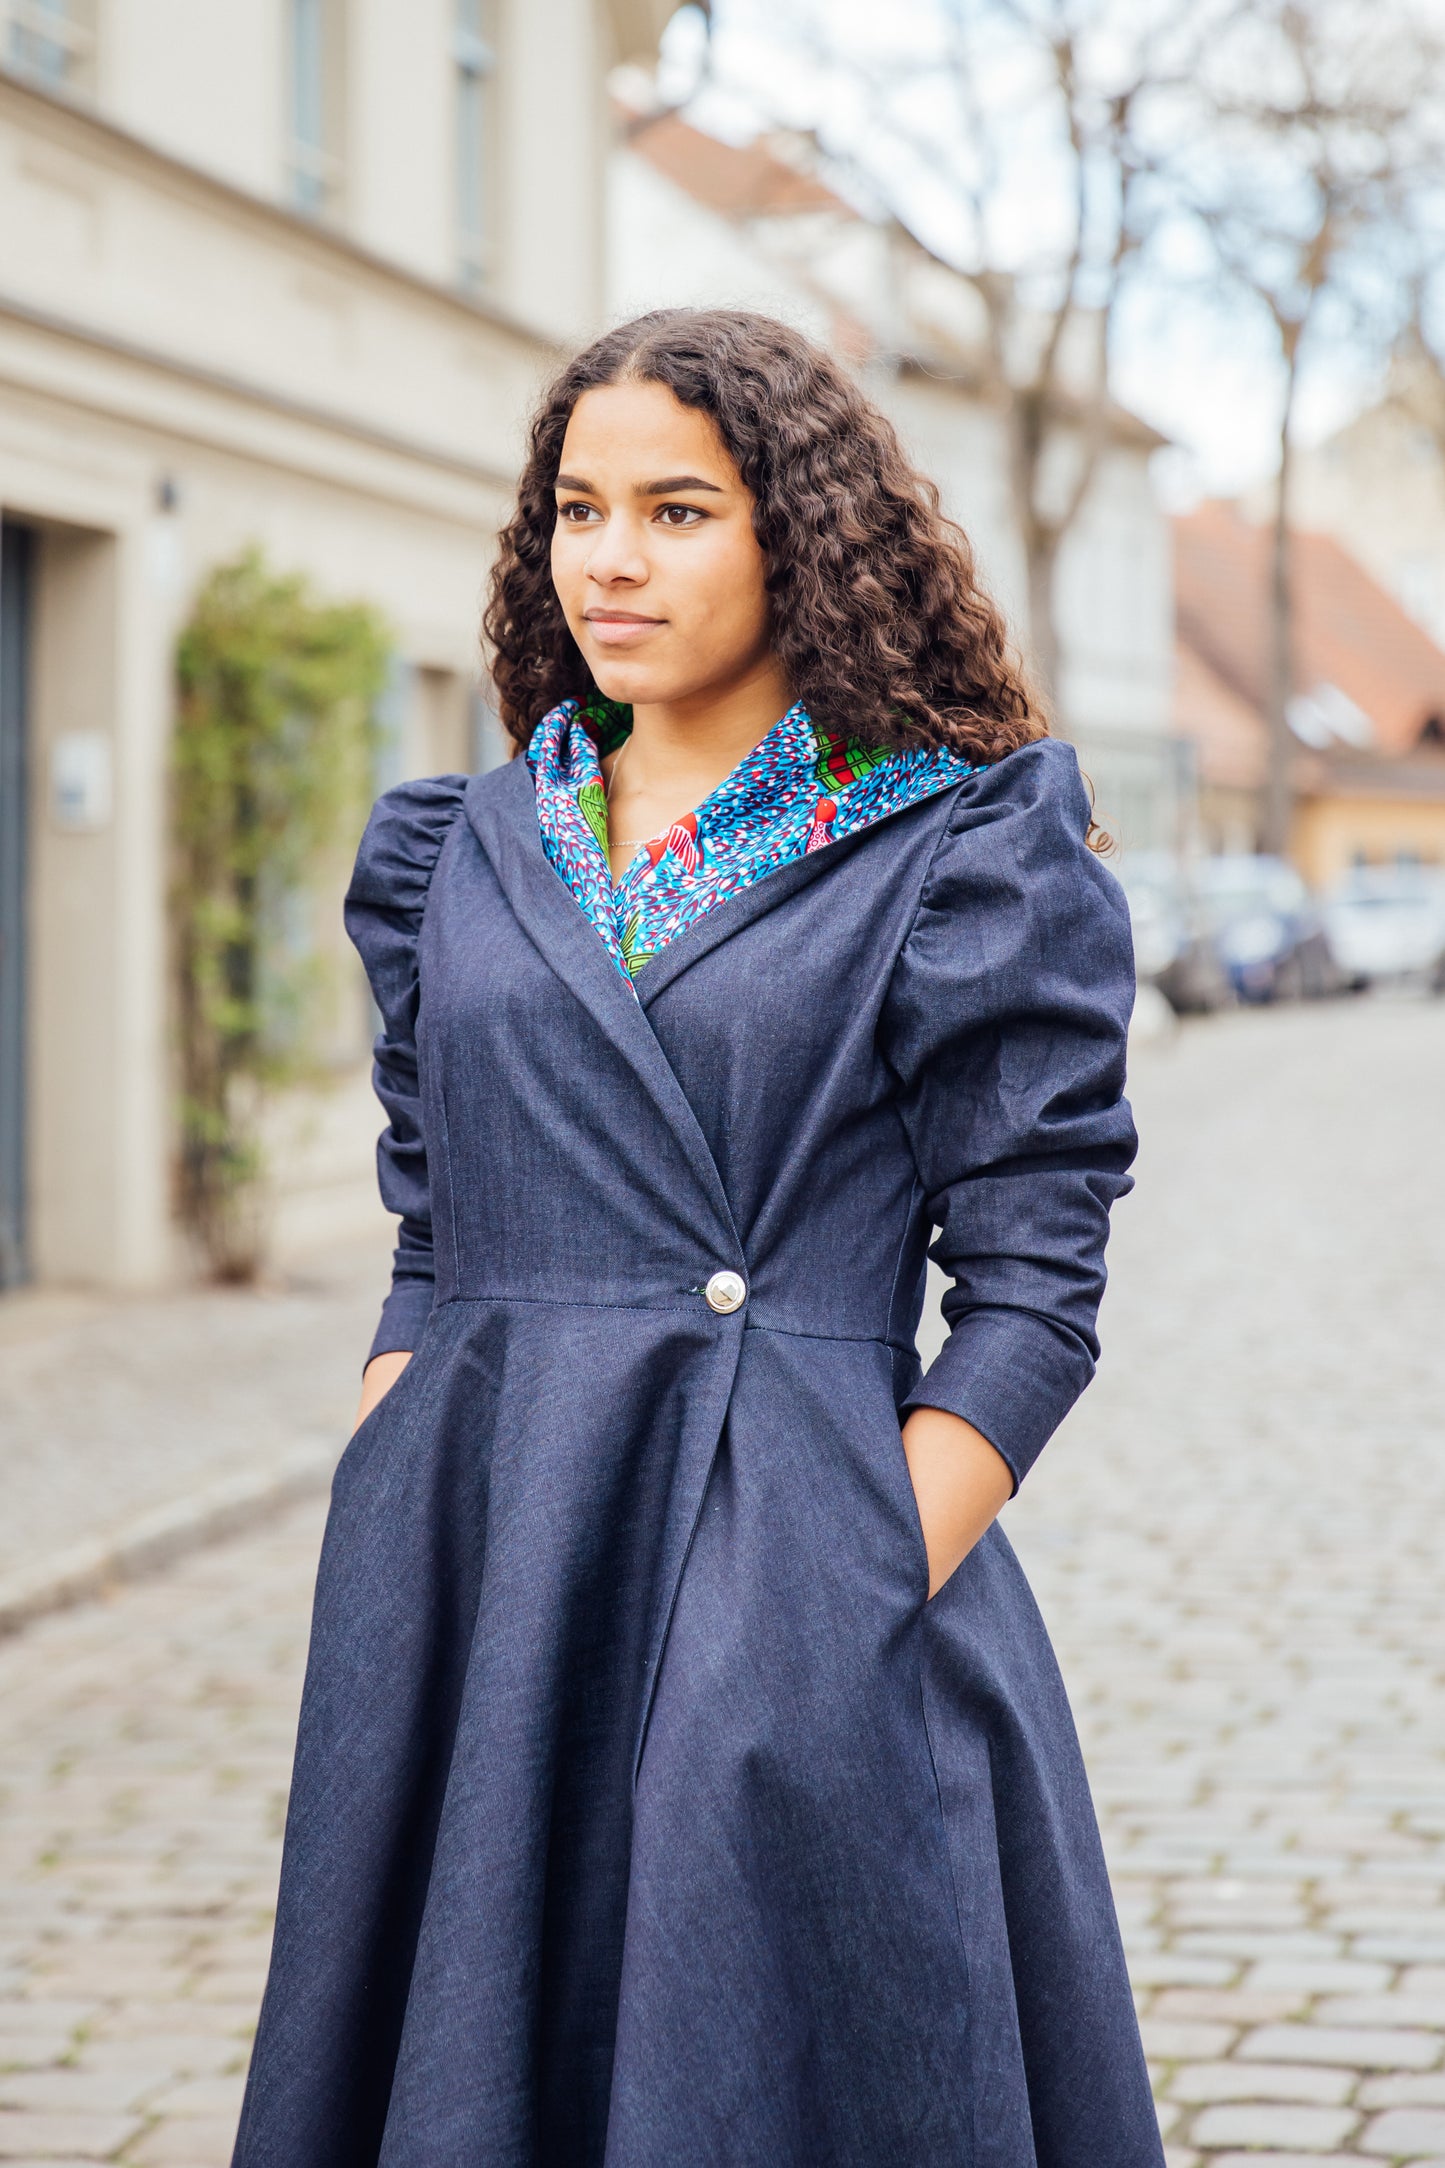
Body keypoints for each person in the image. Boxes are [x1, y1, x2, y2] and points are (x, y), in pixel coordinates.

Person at [232, 308, 1161, 2168]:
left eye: (676, 510)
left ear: (792, 536)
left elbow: (1033, 1283)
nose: (609, 561)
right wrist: (400, 1431)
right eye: (578, 509)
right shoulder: (468, 846)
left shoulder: (948, 844)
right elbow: (434, 1208)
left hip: (796, 1556)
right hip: (484, 1567)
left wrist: (847, 1577)